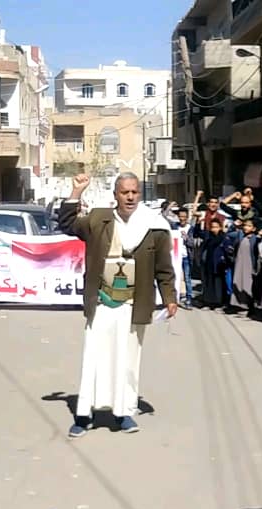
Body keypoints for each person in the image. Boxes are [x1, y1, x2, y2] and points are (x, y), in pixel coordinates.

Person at [59, 172, 177, 438]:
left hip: (133, 304)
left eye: (134, 192)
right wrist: (76, 192)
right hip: (102, 301)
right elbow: (67, 224)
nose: (130, 197)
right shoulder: (99, 219)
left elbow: (164, 268)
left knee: (127, 359)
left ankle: (122, 413)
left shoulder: (155, 227)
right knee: (94, 357)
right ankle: (84, 415)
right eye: (125, 192)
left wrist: (169, 298)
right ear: (116, 195)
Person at [194, 217, 228, 309]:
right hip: (208, 263)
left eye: (216, 227)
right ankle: (208, 301)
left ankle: (219, 302)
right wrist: (198, 223)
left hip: (219, 265)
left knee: (218, 284)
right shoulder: (208, 236)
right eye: (212, 227)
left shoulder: (223, 237)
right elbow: (197, 233)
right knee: (208, 283)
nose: (214, 229)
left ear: (220, 227)